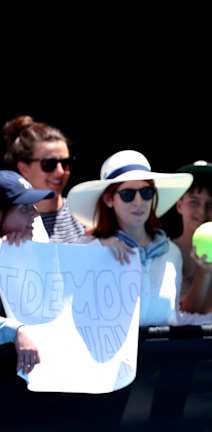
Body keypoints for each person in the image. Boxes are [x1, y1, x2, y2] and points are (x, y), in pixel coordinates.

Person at [67, 150, 193, 326]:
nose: (139, 201)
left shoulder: (172, 252)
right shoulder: (90, 248)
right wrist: (100, 247)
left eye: (146, 192)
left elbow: (174, 316)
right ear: (109, 199)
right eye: (128, 194)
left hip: (163, 351)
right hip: (109, 352)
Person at [0, 170, 54, 375]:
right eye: (24, 208)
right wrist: (15, 331)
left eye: (33, 206)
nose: (35, 213)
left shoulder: (31, 253)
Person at [172, 161, 212, 320]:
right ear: (179, 205)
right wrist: (206, 271)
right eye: (194, 202)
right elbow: (184, 316)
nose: (202, 212)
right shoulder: (165, 253)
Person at [3, 115, 85, 243]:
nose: (60, 172)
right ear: (24, 168)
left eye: (65, 163)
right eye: (49, 164)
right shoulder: (11, 223)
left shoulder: (87, 213)